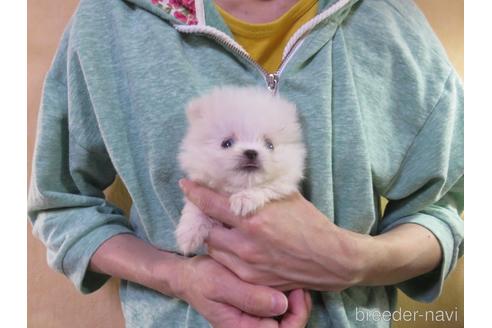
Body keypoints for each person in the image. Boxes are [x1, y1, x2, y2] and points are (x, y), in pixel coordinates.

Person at [28, 0, 464, 327]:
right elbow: (62, 207)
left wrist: (356, 260)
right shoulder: (109, 19)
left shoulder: (389, 19)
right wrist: (178, 277)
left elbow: (444, 208)